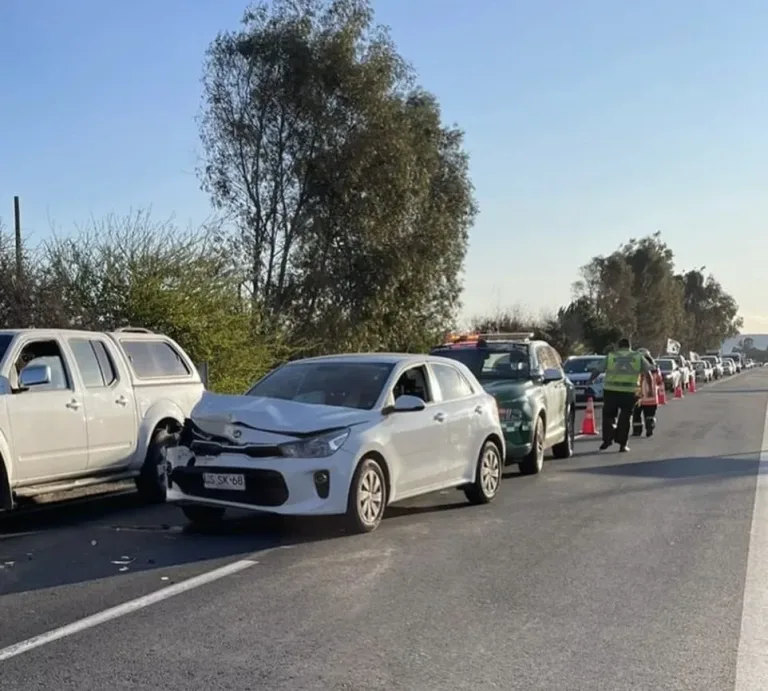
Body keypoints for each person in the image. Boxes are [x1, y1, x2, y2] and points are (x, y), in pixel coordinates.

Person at [599, 337, 653, 453]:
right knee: (625, 418)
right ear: (629, 346)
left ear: (619, 346)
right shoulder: (637, 357)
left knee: (608, 416)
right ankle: (623, 444)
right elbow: (648, 373)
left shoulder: (611, 356)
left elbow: (598, 370)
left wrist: (590, 380)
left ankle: (608, 439)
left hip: (610, 391)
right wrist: (650, 390)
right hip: (629, 393)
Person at [632, 349, 661, 438]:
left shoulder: (635, 367)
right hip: (651, 396)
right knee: (649, 415)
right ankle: (649, 428)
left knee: (636, 415)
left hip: (638, 396)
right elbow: (659, 381)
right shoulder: (655, 368)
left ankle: (637, 431)